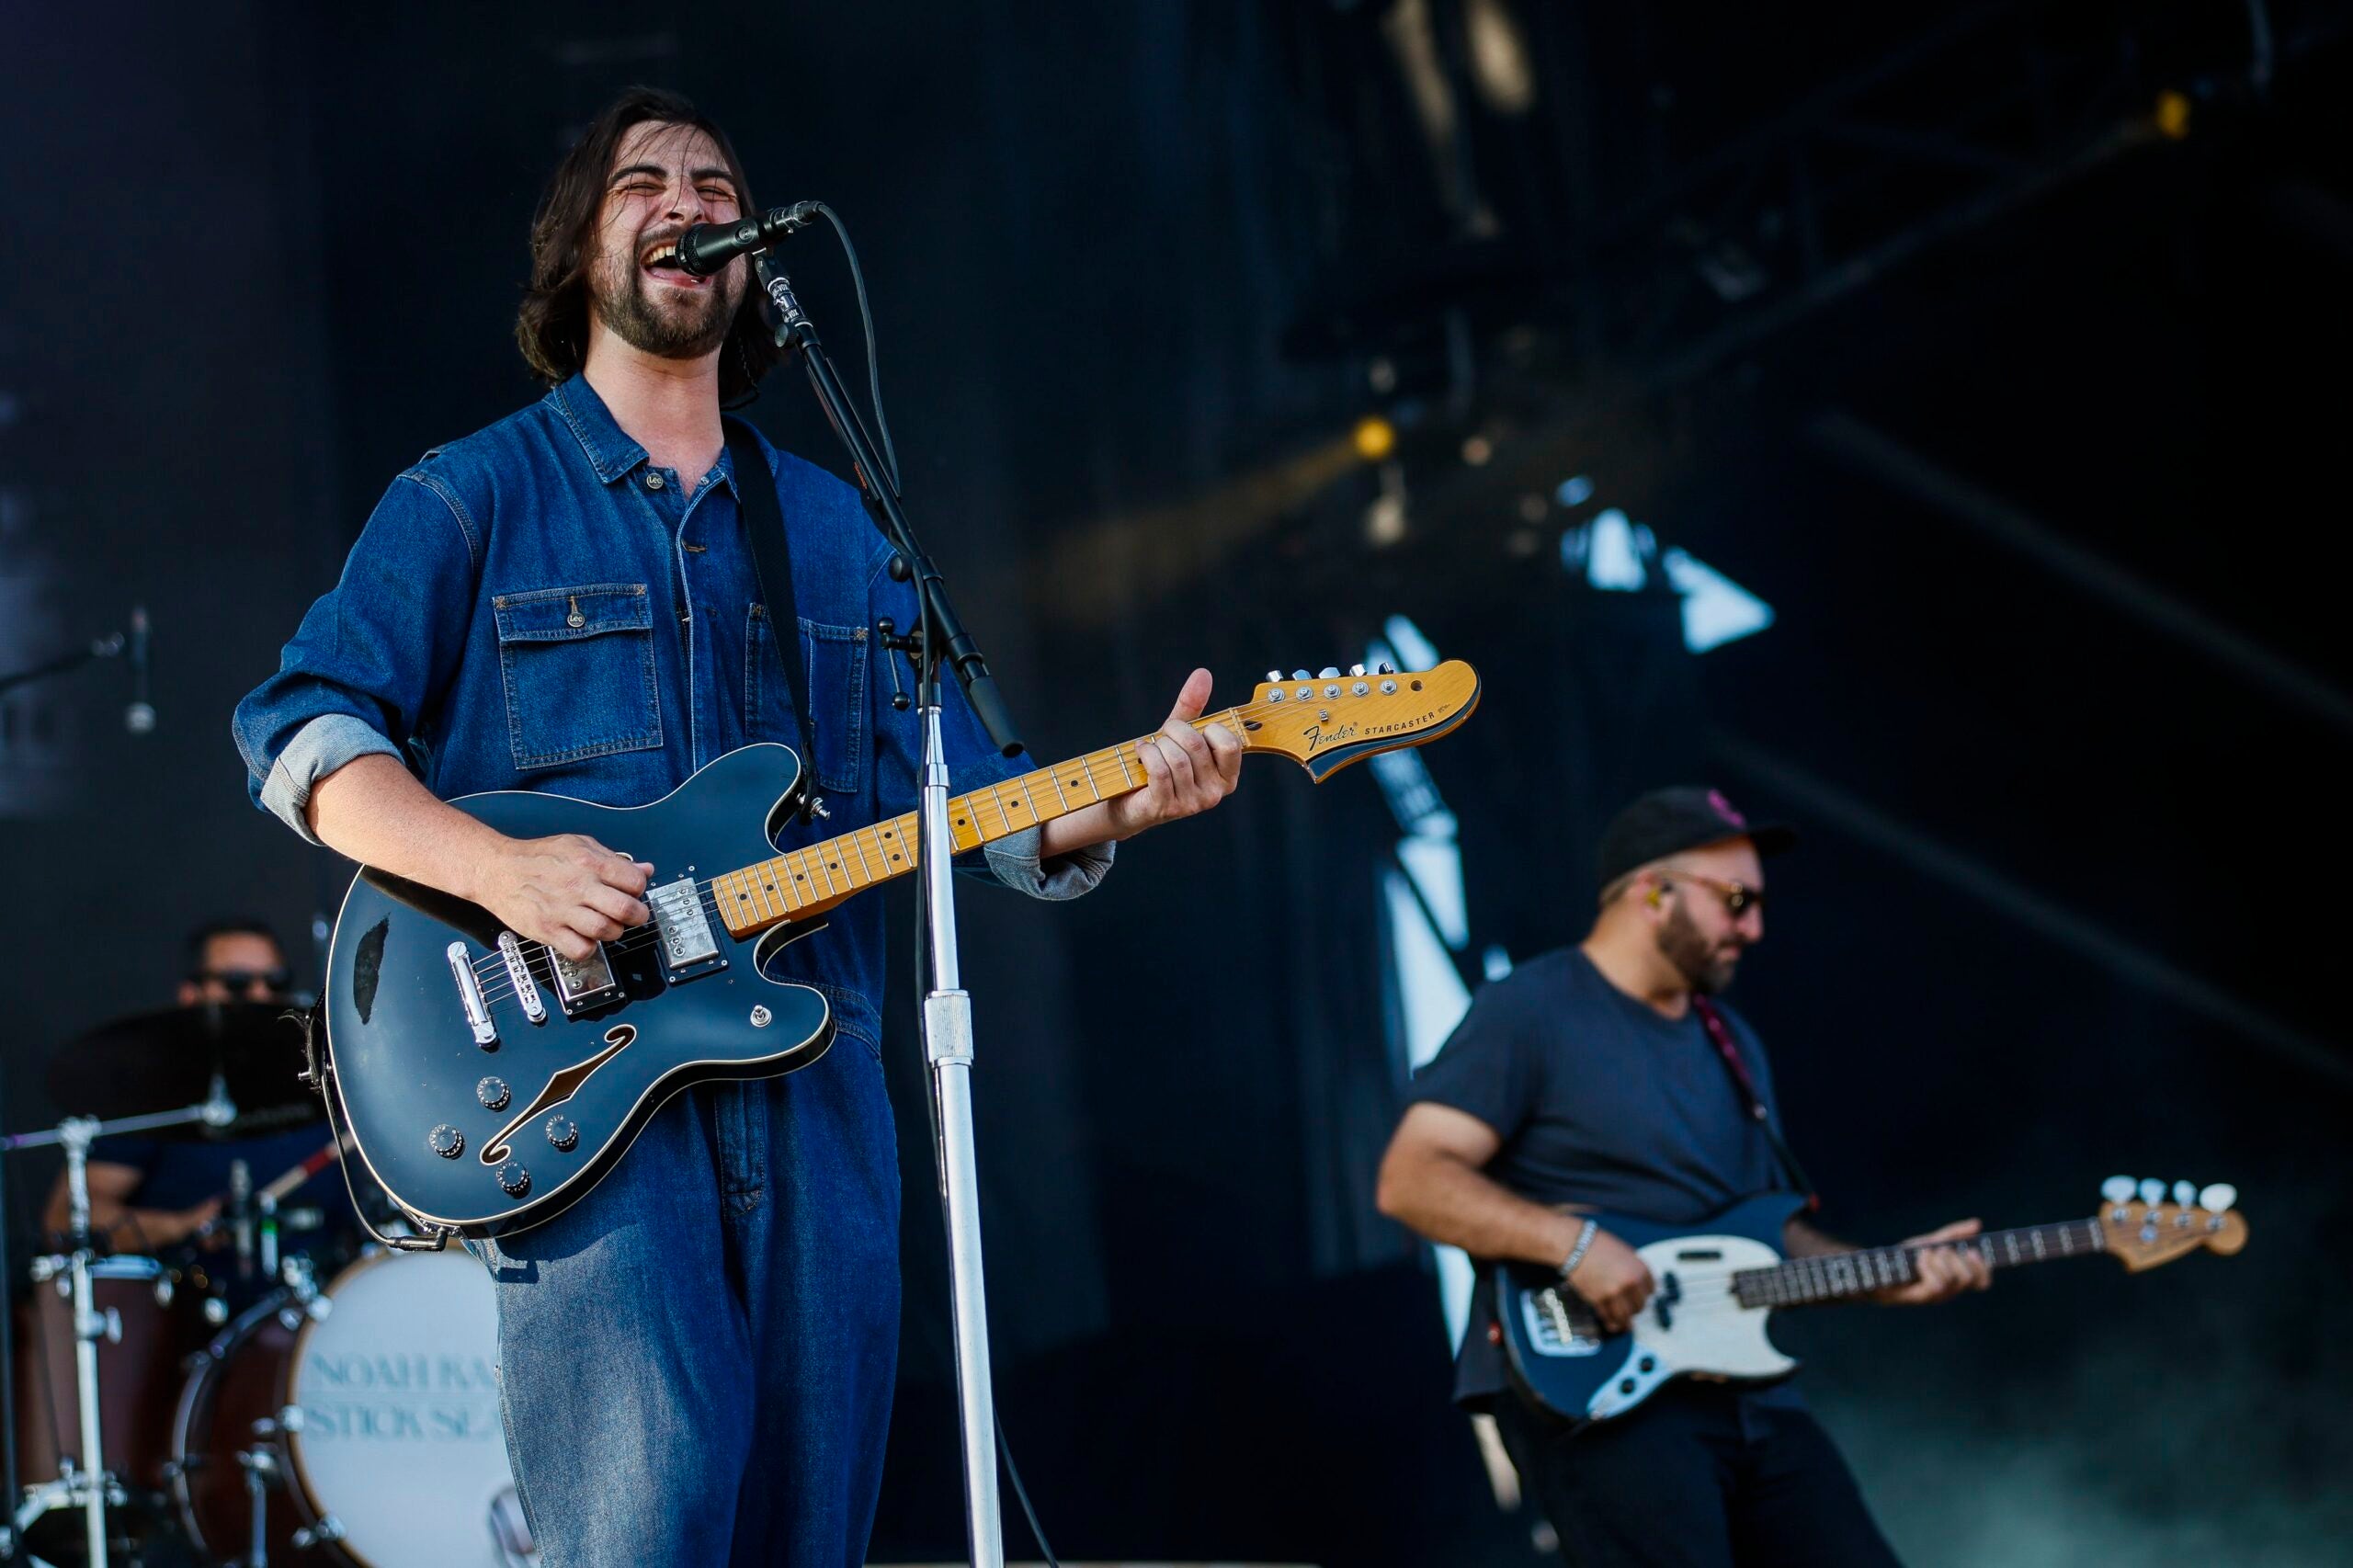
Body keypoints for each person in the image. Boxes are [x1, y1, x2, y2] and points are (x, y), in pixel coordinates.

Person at [231, 85, 1239, 1567]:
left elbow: (979, 804)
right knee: (643, 1533)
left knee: (807, 1539)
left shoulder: (842, 524)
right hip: (587, 1116)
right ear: (584, 247)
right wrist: (499, 869)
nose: (685, 198)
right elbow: (301, 731)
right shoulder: (471, 495)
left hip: (820, 1091)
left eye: (713, 180)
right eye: (642, 182)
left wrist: (1133, 792)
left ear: (753, 253)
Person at [1375, 786, 1990, 1568]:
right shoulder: (1529, 1009)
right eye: (1736, 901)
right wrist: (1574, 1245)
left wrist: (1889, 1275)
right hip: (1597, 1385)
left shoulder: (1732, 1041)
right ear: (1651, 892)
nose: (1754, 929)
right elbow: (1412, 1178)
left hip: (1750, 1389)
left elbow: (1770, 1229)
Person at [40, 919, 348, 1256]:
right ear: (191, 995)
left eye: (275, 983)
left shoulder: (324, 1076)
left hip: (327, 1292)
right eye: (237, 983)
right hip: (188, 1298)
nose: (261, 996)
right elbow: (66, 1217)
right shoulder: (156, 1091)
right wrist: (186, 1226)